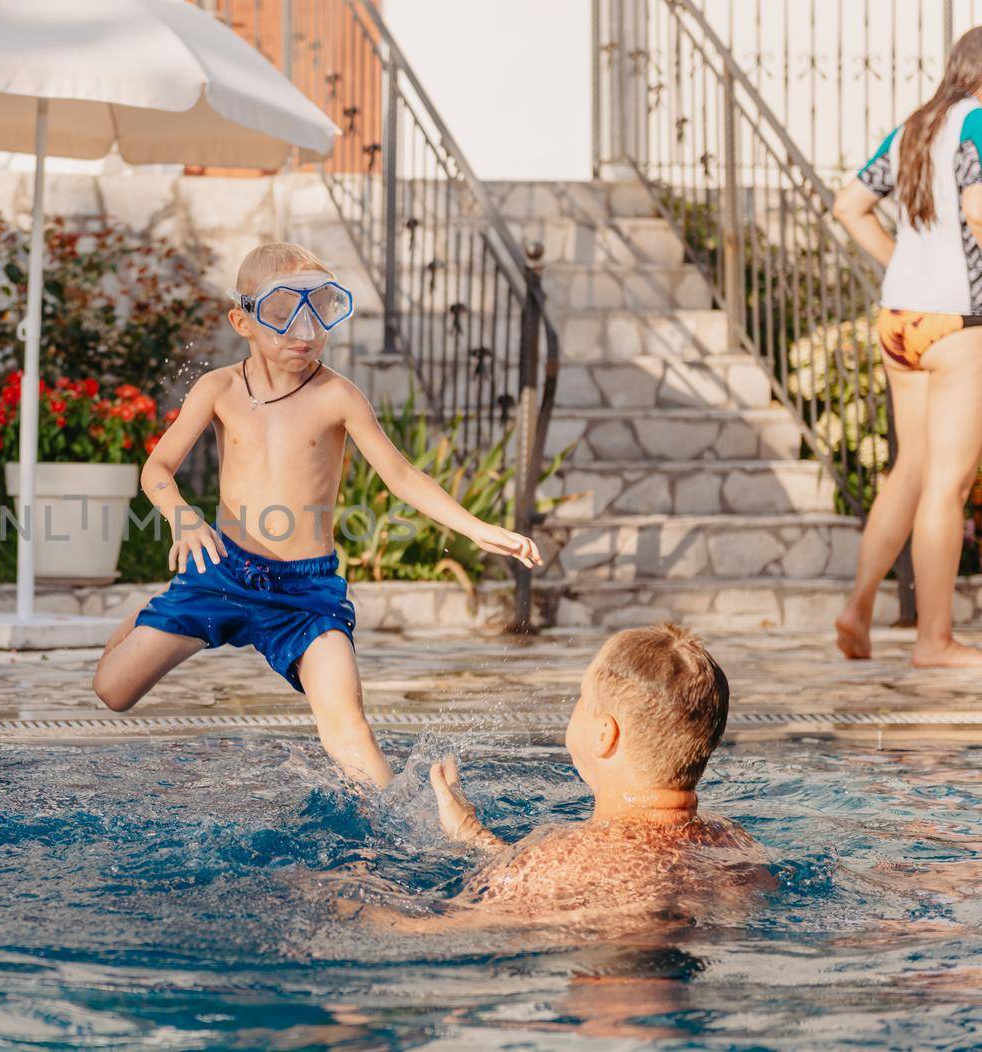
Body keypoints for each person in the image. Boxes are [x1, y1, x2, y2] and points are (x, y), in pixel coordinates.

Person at [90, 242, 542, 788]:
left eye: (321, 311)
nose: (305, 332)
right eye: (284, 314)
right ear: (244, 320)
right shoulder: (219, 389)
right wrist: (181, 515)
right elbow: (157, 468)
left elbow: (401, 476)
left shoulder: (338, 396)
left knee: (347, 725)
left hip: (306, 593)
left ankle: (399, 830)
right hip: (221, 572)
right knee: (112, 692)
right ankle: (154, 610)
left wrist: (477, 528)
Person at [352, 624, 770, 930]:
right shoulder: (736, 847)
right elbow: (608, 875)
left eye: (582, 698)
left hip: (609, 1017)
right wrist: (471, 834)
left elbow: (434, 933)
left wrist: (348, 901)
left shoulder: (558, 859)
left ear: (605, 734)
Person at [833, 26, 982, 667]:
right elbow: (978, 210)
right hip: (960, 322)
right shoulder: (977, 122)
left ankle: (858, 608)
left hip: (901, 318)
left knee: (910, 470)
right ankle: (935, 641)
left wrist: (903, 268)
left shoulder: (915, 127)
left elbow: (849, 205)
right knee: (947, 486)